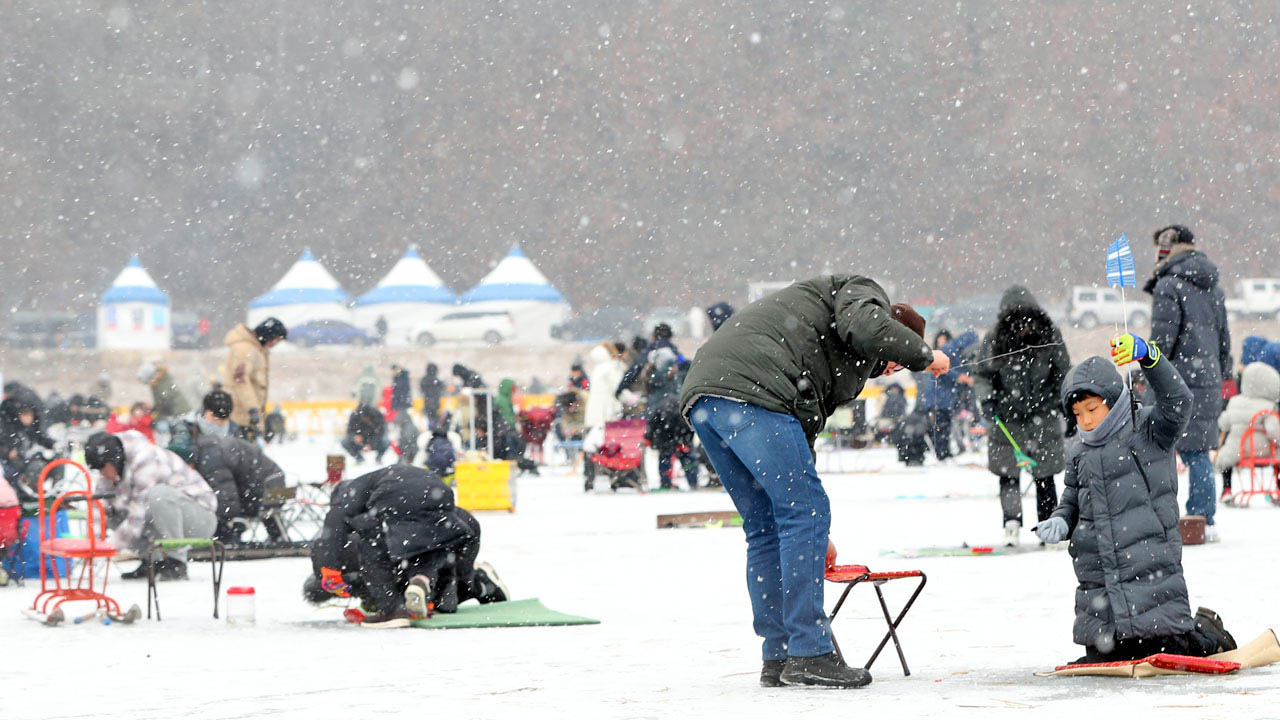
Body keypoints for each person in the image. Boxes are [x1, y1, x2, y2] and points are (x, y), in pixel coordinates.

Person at [680, 275, 950, 689]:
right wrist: (924, 355)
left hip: (709, 396)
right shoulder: (861, 291)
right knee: (801, 513)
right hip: (752, 389)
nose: (890, 368)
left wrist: (815, 534)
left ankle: (780, 653)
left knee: (769, 525)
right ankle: (808, 650)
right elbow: (869, 327)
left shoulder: (835, 353)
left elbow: (799, 432)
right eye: (893, 358)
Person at [1036, 333, 1236, 663]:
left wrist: (1149, 357)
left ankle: (1208, 632)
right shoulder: (1078, 452)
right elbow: (1071, 498)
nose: (1084, 420)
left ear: (1112, 400)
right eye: (1077, 413)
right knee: (1108, 655)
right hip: (1099, 584)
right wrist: (1060, 519)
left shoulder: (1148, 430)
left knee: (1168, 649)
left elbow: (1179, 401)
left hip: (1150, 570)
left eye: (1091, 409)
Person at [302, 465, 508, 628]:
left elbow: (333, 527)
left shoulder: (352, 495)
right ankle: (464, 586)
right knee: (430, 556)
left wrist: (328, 571)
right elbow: (465, 528)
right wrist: (463, 573)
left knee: (374, 546)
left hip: (406, 503)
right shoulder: (388, 488)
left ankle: (392, 609)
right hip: (440, 494)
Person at [1144, 225, 1231, 541]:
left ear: (1166, 250)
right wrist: (1221, 377)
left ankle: (1159, 519)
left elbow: (1161, 343)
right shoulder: (1213, 288)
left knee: (1157, 451)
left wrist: (1146, 372)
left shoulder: (1169, 286)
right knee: (1198, 454)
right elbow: (1224, 343)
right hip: (1207, 380)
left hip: (1175, 383)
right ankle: (1203, 520)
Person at [972, 286, 1070, 546]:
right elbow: (982, 375)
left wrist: (1065, 405)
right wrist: (987, 400)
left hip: (1043, 414)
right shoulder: (994, 339)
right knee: (1008, 473)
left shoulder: (1051, 336)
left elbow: (1063, 374)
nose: (1024, 330)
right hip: (1007, 417)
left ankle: (1048, 527)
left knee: (1045, 474)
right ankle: (1011, 524)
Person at [83, 430, 217, 580]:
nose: (102, 474)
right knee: (115, 513)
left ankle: (176, 562)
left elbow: (137, 518)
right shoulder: (111, 468)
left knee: (157, 495)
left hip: (199, 518)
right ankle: (153, 560)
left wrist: (108, 547)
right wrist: (93, 544)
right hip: (162, 517)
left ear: (114, 460)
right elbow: (99, 506)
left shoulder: (146, 458)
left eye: (103, 469)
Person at [179, 422, 288, 543]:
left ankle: (232, 538)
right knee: (247, 509)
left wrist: (222, 526)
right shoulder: (207, 448)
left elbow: (226, 497)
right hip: (272, 482)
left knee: (231, 512)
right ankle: (277, 537)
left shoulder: (210, 458)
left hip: (266, 486)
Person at [1214, 362, 1280, 502]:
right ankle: (1278, 487)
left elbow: (1223, 423)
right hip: (1265, 450)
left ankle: (1227, 489)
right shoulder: (1269, 405)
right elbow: (1273, 432)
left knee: (1226, 459)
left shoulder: (1234, 402)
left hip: (1238, 449)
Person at [916, 330, 978, 462]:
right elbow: (945, 369)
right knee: (941, 426)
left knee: (944, 425)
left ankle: (944, 452)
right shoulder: (950, 350)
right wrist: (962, 377)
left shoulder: (954, 350)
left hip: (944, 397)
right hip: (939, 397)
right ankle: (942, 453)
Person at [223, 317, 287, 441]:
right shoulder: (245, 349)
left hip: (247, 416)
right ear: (268, 335)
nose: (273, 345)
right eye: (275, 341)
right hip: (239, 414)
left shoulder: (256, 349)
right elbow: (240, 380)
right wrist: (252, 408)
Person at [646, 348, 697, 490]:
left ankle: (666, 482)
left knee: (667, 454)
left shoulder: (655, 376)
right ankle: (692, 481)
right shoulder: (666, 376)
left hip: (664, 419)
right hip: (675, 416)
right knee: (684, 451)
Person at [582, 342, 626, 490]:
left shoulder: (597, 368)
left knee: (591, 446)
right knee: (613, 449)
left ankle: (589, 480)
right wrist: (631, 399)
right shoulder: (613, 367)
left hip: (593, 414)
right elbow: (618, 390)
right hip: (608, 413)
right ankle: (615, 479)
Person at [390, 364, 418, 464]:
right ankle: (404, 455)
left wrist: (397, 404)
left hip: (402, 406)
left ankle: (405, 455)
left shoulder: (401, 377)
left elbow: (401, 392)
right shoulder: (402, 377)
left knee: (405, 432)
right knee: (404, 432)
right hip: (402, 406)